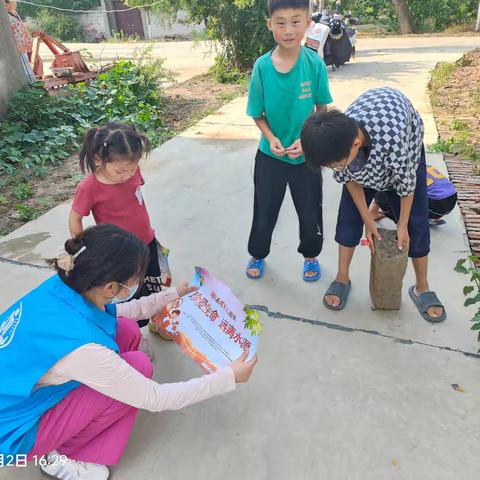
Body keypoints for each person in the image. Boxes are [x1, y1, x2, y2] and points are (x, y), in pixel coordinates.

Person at [0, 224, 257, 480]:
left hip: (16, 393)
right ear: (111, 288)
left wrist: (172, 295)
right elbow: (156, 398)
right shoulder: (85, 349)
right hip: (13, 434)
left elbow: (123, 312)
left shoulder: (65, 286)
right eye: (135, 280)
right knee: (138, 368)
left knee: (126, 330)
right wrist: (228, 378)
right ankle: (60, 455)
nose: (138, 283)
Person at [301, 87, 446, 323]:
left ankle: (422, 287)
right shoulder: (338, 142)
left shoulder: (394, 141)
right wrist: (367, 220)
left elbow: (406, 185)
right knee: (348, 219)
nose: (335, 168)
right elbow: (349, 179)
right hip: (368, 148)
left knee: (416, 226)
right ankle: (341, 277)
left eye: (336, 164)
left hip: (405, 146)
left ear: (355, 144)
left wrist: (402, 223)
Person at [245, 0, 333, 282]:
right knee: (264, 210)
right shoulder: (261, 67)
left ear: (308, 23)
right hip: (270, 156)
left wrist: (308, 142)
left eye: (296, 21)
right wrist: (270, 138)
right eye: (280, 22)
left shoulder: (315, 64)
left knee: (310, 210)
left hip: (306, 157)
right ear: (270, 24)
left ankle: (310, 256)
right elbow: (257, 114)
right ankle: (257, 253)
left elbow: (322, 110)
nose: (288, 29)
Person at [69, 122, 170, 327]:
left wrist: (130, 173)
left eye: (132, 169)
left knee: (155, 285)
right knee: (129, 295)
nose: (127, 176)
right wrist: (82, 249)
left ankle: (157, 321)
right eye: (120, 171)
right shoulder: (90, 187)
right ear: (99, 160)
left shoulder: (132, 172)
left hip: (147, 241)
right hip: (122, 254)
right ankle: (134, 334)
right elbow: (75, 218)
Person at [370, 164, 458, 227]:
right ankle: (434, 217)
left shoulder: (403, 170)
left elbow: (386, 188)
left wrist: (374, 208)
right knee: (426, 190)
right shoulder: (424, 165)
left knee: (385, 189)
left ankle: (414, 219)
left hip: (437, 204)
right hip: (452, 197)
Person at [5, 0, 36, 84]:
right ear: (7, 4)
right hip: (17, 46)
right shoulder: (6, 16)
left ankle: (32, 82)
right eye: (13, 2)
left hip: (23, 45)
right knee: (24, 66)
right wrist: (17, 45)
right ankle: (31, 84)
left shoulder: (14, 13)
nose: (16, 3)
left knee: (26, 64)